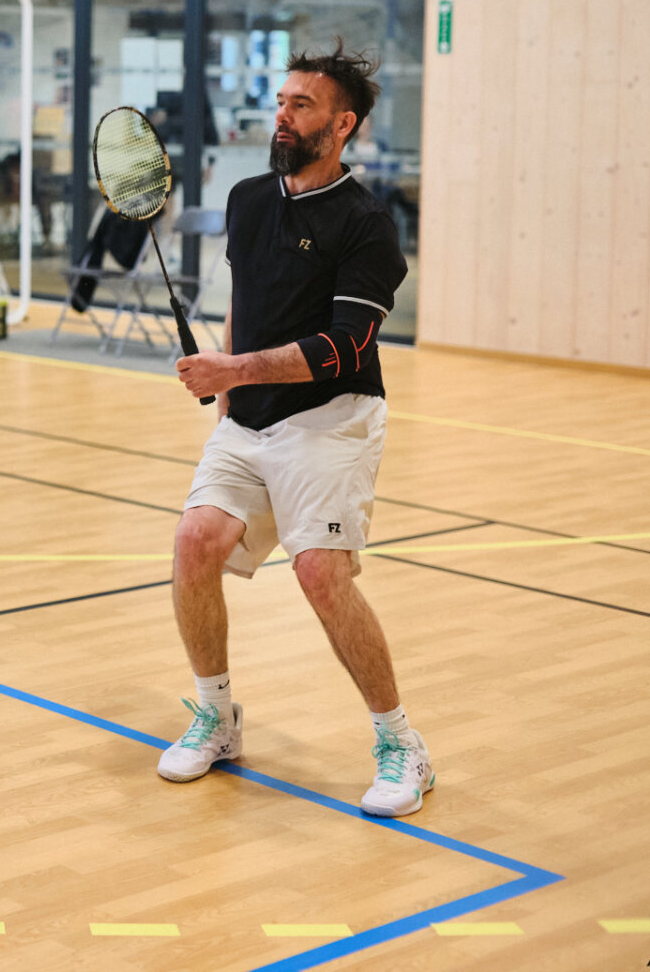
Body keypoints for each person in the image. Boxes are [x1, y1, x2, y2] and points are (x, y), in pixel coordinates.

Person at [159, 42, 429, 818]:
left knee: (319, 573)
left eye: (301, 105)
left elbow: (343, 347)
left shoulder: (367, 225)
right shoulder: (248, 198)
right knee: (194, 543)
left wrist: (232, 370)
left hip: (332, 419)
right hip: (249, 417)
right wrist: (228, 394)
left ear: (342, 126)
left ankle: (402, 744)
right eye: (280, 102)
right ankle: (217, 719)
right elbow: (246, 301)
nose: (282, 116)